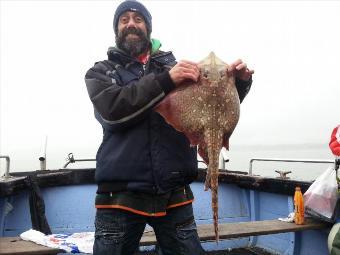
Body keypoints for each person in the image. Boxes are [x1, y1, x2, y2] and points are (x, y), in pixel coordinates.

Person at [85, 1, 254, 254]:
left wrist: (237, 83)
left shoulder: (177, 69)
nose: (131, 23)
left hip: (174, 192)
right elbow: (112, 111)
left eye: (138, 19)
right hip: (119, 196)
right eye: (124, 19)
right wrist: (166, 80)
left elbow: (208, 109)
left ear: (148, 28)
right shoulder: (102, 72)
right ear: (116, 29)